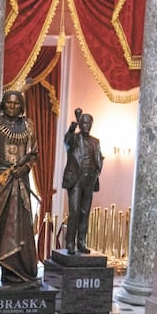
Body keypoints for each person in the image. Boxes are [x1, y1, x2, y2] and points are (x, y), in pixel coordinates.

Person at [0, 90, 39, 288]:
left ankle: (15, 272)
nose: (12, 107)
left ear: (21, 106)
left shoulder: (28, 125)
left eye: (16, 104)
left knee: (17, 225)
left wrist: (25, 168)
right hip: (0, 179)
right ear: (3, 104)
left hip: (19, 181)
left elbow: (33, 154)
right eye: (9, 104)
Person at [62, 108, 103, 254]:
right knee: (74, 211)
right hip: (75, 180)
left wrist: (98, 170)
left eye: (88, 123)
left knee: (85, 212)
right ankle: (69, 243)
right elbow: (67, 140)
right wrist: (72, 128)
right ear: (80, 124)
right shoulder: (74, 138)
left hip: (89, 180)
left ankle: (81, 243)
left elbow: (99, 158)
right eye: (84, 123)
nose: (86, 126)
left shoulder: (95, 141)